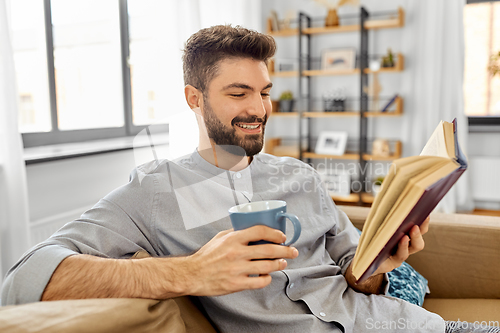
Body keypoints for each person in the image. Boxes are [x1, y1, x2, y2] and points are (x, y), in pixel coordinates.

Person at [1, 25, 497, 333]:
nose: (259, 109)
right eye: (238, 93)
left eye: (264, 91)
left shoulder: (299, 176)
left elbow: (354, 274)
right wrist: (189, 273)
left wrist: (378, 267)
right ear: (195, 99)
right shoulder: (153, 191)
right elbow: (22, 280)